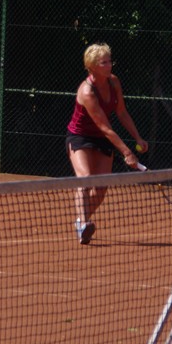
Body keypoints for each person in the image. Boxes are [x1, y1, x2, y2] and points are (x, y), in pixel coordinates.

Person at [66, 42, 147, 244]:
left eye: (110, 61)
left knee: (101, 187)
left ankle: (80, 220)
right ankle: (84, 224)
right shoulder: (87, 92)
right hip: (80, 137)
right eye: (104, 62)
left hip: (102, 139)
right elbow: (105, 127)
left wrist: (137, 137)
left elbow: (121, 112)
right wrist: (127, 152)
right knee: (85, 179)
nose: (109, 65)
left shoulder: (114, 82)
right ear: (92, 66)